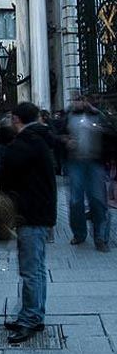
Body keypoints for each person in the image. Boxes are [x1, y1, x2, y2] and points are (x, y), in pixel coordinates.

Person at [0, 102, 56, 344]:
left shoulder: (25, 143)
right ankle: (33, 314)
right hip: (40, 211)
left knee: (30, 269)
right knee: (37, 268)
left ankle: (29, 319)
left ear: (16, 118)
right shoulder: (39, 138)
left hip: (30, 213)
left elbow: (4, 177)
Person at [62, 95, 113, 252]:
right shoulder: (68, 116)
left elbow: (111, 132)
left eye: (81, 100)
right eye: (76, 100)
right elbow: (56, 133)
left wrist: (101, 129)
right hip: (75, 162)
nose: (78, 103)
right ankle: (79, 233)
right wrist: (65, 141)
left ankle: (101, 237)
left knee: (98, 199)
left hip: (95, 162)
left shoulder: (98, 115)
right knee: (76, 201)